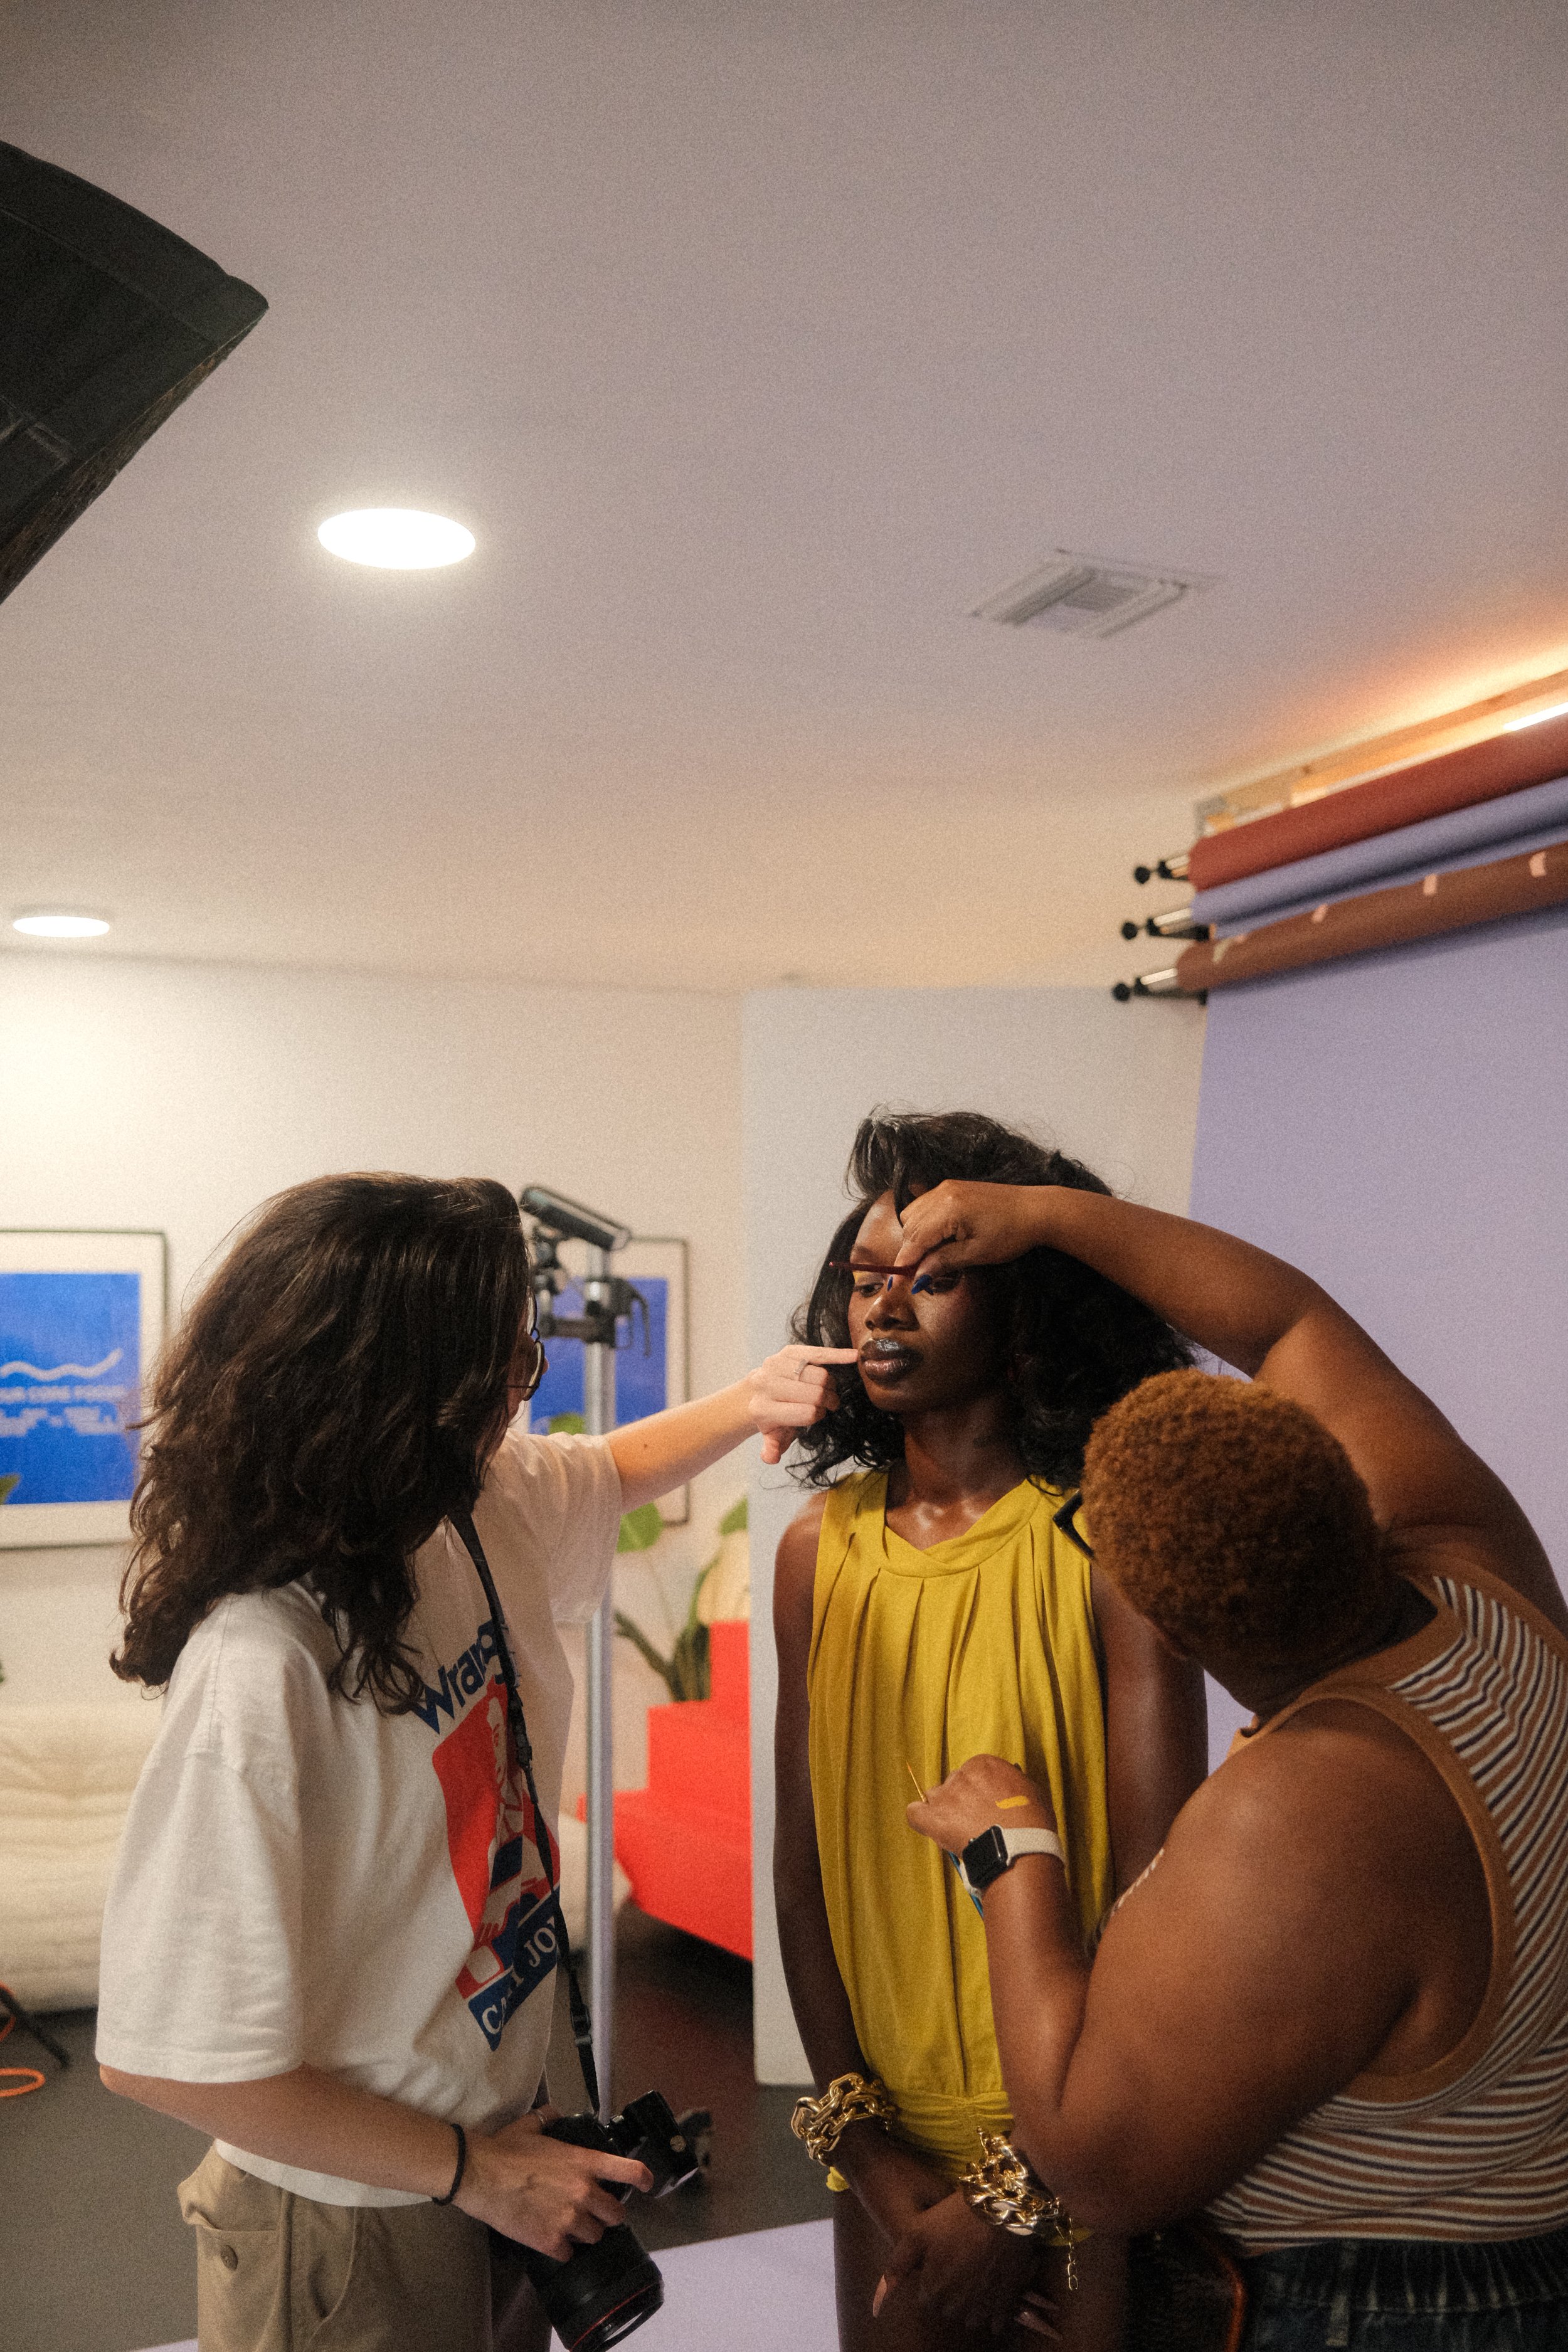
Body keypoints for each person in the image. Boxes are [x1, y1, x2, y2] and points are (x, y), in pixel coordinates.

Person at [95, 1173, 848, 2352]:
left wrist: (754, 1394)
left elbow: (611, 1467)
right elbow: (177, 2063)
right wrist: (470, 2171)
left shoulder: (463, 1504)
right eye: (505, 1365)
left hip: (495, 2162)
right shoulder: (261, 1666)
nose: (520, 1390)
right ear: (403, 1397)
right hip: (354, 2221)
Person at [897, 1177, 1568, 2351]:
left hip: (1383, 2309)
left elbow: (1090, 2154)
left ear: (1177, 1634)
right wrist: (1045, 1212)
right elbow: (1287, 1324)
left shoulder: (1296, 1820)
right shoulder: (1474, 1555)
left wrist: (1011, 1849)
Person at [770, 1113, 1209, 2352]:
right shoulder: (818, 1552)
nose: (883, 1311)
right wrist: (861, 2144)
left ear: (1025, 1310)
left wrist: (1025, 2186)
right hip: (885, 2143)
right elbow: (802, 1874)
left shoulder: (1102, 1540)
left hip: (1079, 2123)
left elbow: (1156, 1887)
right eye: (864, 1282)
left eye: (936, 1278)